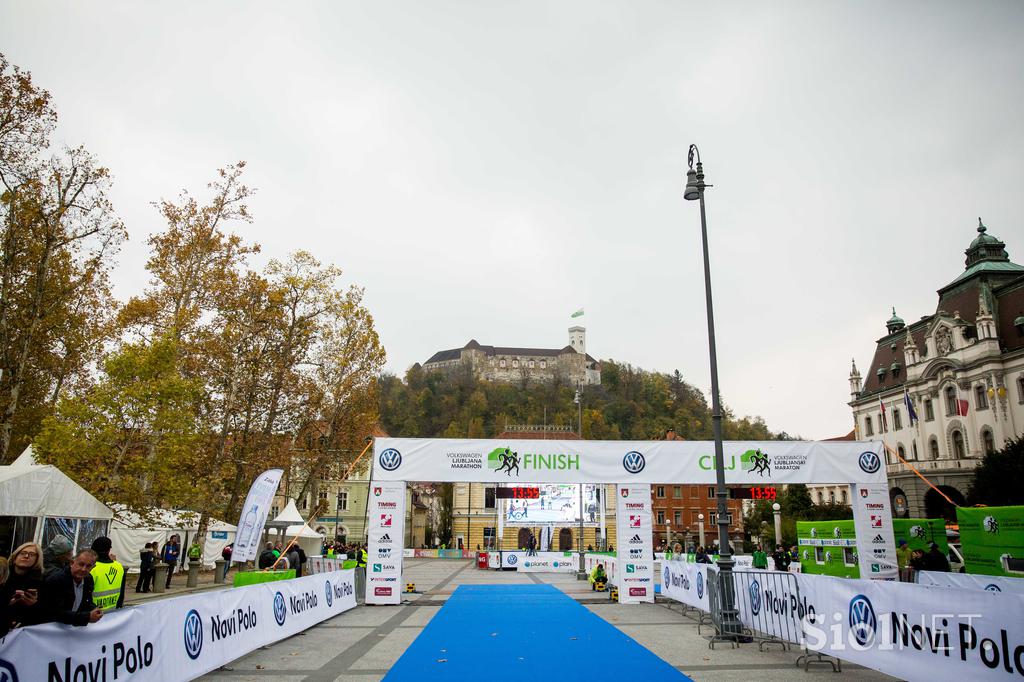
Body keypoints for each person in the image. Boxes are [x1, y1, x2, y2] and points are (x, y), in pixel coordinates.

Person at [43, 549, 103, 626]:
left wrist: (94, 609)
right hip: (53, 629)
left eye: (88, 566)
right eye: (81, 564)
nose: (83, 569)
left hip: (73, 628)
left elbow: (86, 602)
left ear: (93, 567)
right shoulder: (56, 580)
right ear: (72, 563)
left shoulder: (88, 579)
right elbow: (54, 612)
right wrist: (86, 617)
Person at [0, 542, 46, 635]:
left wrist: (34, 605)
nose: (26, 556)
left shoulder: (41, 582)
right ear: (15, 557)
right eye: (22, 553)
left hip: (21, 633)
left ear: (37, 560)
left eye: (32, 554)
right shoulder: (2, 576)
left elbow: (45, 615)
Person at [90, 536, 125, 612]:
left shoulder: (91, 568)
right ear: (109, 550)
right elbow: (121, 594)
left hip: (93, 615)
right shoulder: (119, 567)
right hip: (113, 614)